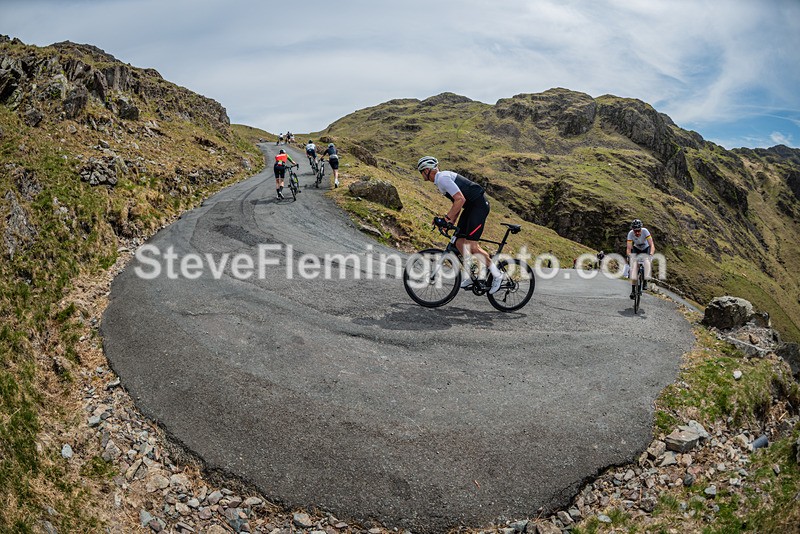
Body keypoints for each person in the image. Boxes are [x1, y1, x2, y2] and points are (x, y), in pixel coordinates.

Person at [416, 156, 505, 294]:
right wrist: (450, 222)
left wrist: (446, 218)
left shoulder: (443, 178)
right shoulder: (440, 182)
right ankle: (473, 274)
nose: (421, 174)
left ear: (427, 170)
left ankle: (498, 275)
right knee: (458, 242)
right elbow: (457, 203)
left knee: (472, 246)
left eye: (421, 171)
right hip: (470, 208)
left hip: (479, 206)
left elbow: (460, 199)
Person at [626, 219, 655, 298]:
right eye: (635, 231)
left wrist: (651, 254)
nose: (637, 233)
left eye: (639, 231)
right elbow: (628, 249)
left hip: (646, 248)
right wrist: (630, 256)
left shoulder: (645, 231)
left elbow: (651, 245)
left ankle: (645, 280)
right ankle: (633, 291)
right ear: (632, 230)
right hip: (636, 248)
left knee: (646, 262)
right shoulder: (630, 234)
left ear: (641, 229)